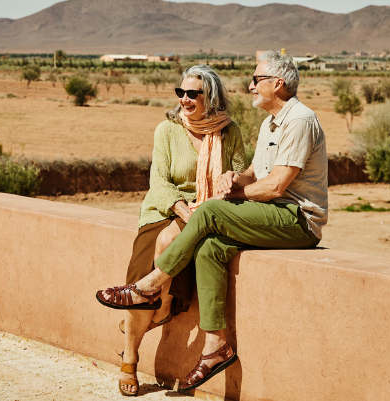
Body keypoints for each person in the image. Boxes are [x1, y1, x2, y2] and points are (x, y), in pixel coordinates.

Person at [96, 50, 329, 392]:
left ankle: (150, 286)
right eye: (182, 93)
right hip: (198, 212)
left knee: (209, 212)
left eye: (256, 79)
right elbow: (253, 172)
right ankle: (215, 346)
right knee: (211, 249)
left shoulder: (298, 120)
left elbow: (278, 184)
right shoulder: (270, 122)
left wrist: (227, 196)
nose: (250, 85)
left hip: (294, 217)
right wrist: (235, 179)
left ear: (277, 84)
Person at [98, 64, 248, 396]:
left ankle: (159, 309)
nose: (185, 99)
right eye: (181, 92)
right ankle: (130, 361)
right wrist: (183, 209)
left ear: (211, 96)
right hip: (164, 210)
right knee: (142, 270)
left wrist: (229, 185)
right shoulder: (166, 129)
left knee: (158, 283)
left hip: (207, 211)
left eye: (193, 93)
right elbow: (159, 183)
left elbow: (240, 174)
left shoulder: (229, 131)